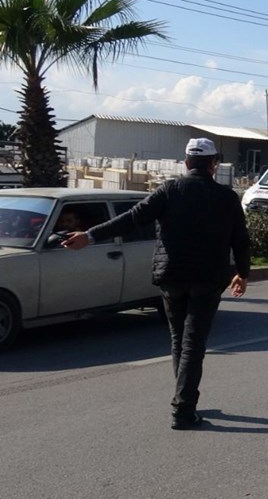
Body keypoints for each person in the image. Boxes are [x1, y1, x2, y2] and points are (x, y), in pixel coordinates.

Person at [63, 138, 250, 430]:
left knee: (180, 341)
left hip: (171, 276)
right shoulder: (226, 197)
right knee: (193, 345)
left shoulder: (169, 190)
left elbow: (131, 219)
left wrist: (90, 236)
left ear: (186, 162)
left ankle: (184, 401)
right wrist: (243, 272)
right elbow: (240, 239)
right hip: (207, 279)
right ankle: (184, 407)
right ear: (213, 165)